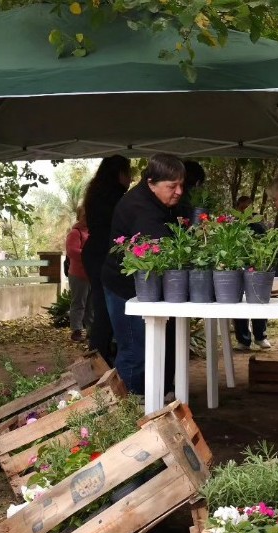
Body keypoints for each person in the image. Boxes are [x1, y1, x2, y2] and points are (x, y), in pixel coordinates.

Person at [101, 153, 184, 396]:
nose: (179, 191)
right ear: (151, 183)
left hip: (144, 288)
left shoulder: (159, 202)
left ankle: (155, 397)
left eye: (181, 184)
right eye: (172, 186)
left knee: (155, 347)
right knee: (134, 351)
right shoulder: (139, 208)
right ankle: (129, 408)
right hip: (124, 289)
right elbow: (161, 250)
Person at [81, 155, 132, 365]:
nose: (130, 179)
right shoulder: (119, 198)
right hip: (105, 253)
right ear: (120, 174)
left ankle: (99, 355)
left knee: (101, 307)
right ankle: (99, 358)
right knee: (105, 309)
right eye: (128, 174)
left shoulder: (96, 194)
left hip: (94, 251)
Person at [233, 196, 270, 350]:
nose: (246, 210)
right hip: (238, 267)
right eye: (243, 207)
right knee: (238, 304)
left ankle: (260, 336)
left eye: (248, 207)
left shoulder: (258, 225)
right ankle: (243, 340)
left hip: (256, 267)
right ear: (238, 208)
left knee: (259, 302)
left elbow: (266, 242)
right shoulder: (234, 224)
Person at [66, 204, 91, 342]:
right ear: (79, 217)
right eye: (84, 216)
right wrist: (89, 253)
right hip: (78, 274)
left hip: (91, 274)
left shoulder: (92, 231)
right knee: (78, 303)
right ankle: (76, 331)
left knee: (91, 305)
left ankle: (91, 331)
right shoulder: (75, 233)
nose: (87, 219)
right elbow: (72, 251)